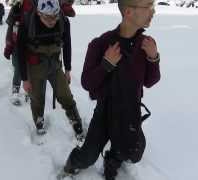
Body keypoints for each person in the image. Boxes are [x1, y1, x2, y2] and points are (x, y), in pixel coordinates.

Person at [62, 0, 161, 179]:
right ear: (129, 12)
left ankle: (112, 160)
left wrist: (153, 57)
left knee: (133, 152)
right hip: (105, 113)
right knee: (88, 156)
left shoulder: (147, 44)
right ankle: (72, 163)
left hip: (130, 111)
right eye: (148, 6)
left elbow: (150, 81)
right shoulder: (101, 44)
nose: (153, 12)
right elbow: (87, 83)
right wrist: (105, 65)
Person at [16, 0, 84, 140]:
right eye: (47, 17)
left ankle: (76, 123)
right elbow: (20, 53)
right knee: (37, 97)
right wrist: (24, 79)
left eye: (55, 16)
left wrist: (68, 69)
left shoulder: (63, 21)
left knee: (65, 95)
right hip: (35, 67)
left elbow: (67, 45)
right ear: (39, 13)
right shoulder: (27, 23)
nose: (52, 21)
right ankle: (39, 122)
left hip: (54, 64)